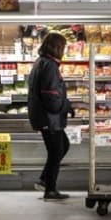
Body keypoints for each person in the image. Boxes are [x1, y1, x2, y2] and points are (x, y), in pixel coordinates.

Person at [27, 32, 71, 200]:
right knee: (56, 150)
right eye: (63, 47)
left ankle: (45, 180)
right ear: (58, 47)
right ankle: (50, 189)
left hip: (44, 115)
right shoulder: (50, 66)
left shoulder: (41, 62)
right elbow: (51, 97)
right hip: (49, 117)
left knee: (63, 146)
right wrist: (65, 106)